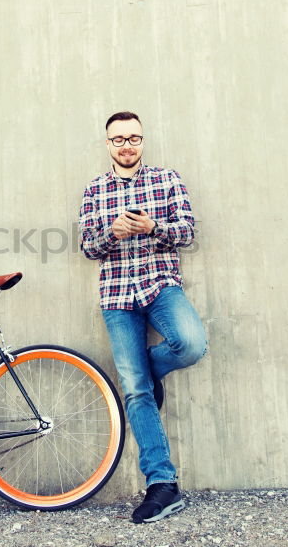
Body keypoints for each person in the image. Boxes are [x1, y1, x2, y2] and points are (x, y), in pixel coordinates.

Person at [78, 111, 208, 523]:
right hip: (116, 294)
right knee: (135, 391)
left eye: (134, 138)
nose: (127, 145)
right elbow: (87, 247)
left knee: (189, 345)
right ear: (108, 145)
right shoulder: (95, 190)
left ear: (142, 141)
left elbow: (187, 233)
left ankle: (147, 371)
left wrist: (153, 226)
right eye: (119, 139)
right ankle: (162, 484)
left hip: (160, 285)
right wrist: (112, 233)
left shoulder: (167, 180)